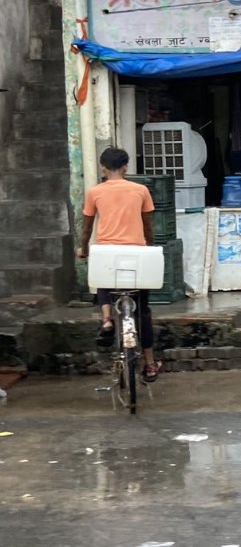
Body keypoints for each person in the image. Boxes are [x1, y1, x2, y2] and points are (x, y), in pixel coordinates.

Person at [76, 147, 161, 383]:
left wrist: (84, 248)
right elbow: (148, 226)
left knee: (103, 279)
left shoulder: (95, 192)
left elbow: (86, 228)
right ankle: (151, 364)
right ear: (126, 167)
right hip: (136, 251)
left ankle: (106, 320)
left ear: (102, 167)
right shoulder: (140, 190)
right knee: (142, 310)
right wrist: (149, 246)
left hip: (107, 251)